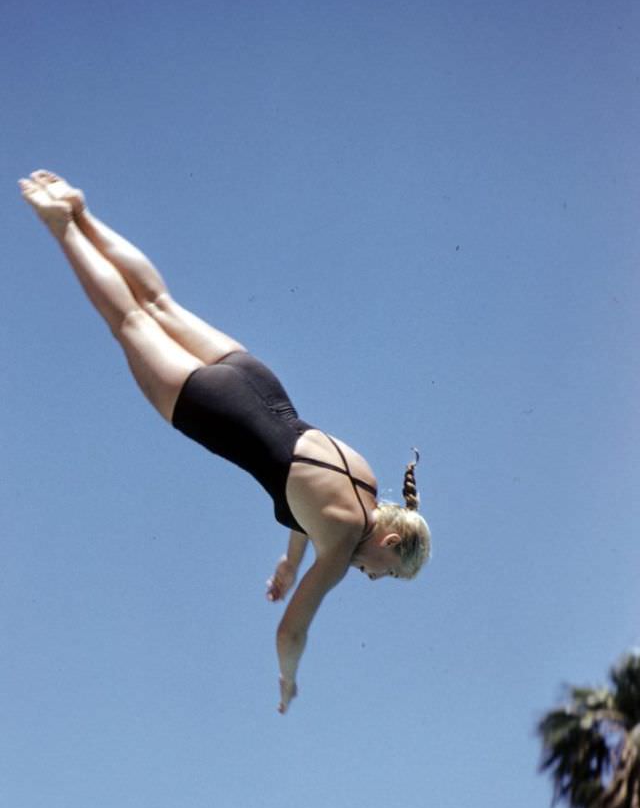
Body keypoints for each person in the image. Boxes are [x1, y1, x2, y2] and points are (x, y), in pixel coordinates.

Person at [19, 170, 431, 714]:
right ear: (390, 545)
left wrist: (288, 564)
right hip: (211, 409)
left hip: (254, 379)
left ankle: (82, 212)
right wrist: (288, 680)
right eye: (388, 575)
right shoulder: (341, 544)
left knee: (158, 303)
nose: (372, 579)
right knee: (128, 321)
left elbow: (308, 502)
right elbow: (290, 633)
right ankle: (62, 227)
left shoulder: (363, 481)